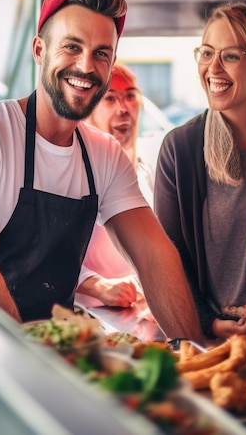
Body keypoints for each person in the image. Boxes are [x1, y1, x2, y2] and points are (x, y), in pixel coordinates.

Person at [0, 0, 204, 342]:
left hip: (52, 354)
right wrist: (40, 365)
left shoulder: (104, 155)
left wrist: (194, 353)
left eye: (102, 53)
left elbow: (155, 256)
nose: (86, 66)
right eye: (72, 47)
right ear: (40, 50)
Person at [154, 1, 246, 340]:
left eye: (230, 56)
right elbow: (171, 256)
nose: (213, 68)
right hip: (212, 333)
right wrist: (209, 323)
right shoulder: (180, 148)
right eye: (206, 53)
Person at [75, 63, 153, 312]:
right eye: (110, 99)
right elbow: (44, 252)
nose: (123, 109)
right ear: (89, 111)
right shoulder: (76, 174)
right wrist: (98, 286)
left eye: (130, 96)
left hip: (139, 315)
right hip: (91, 318)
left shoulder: (148, 170)